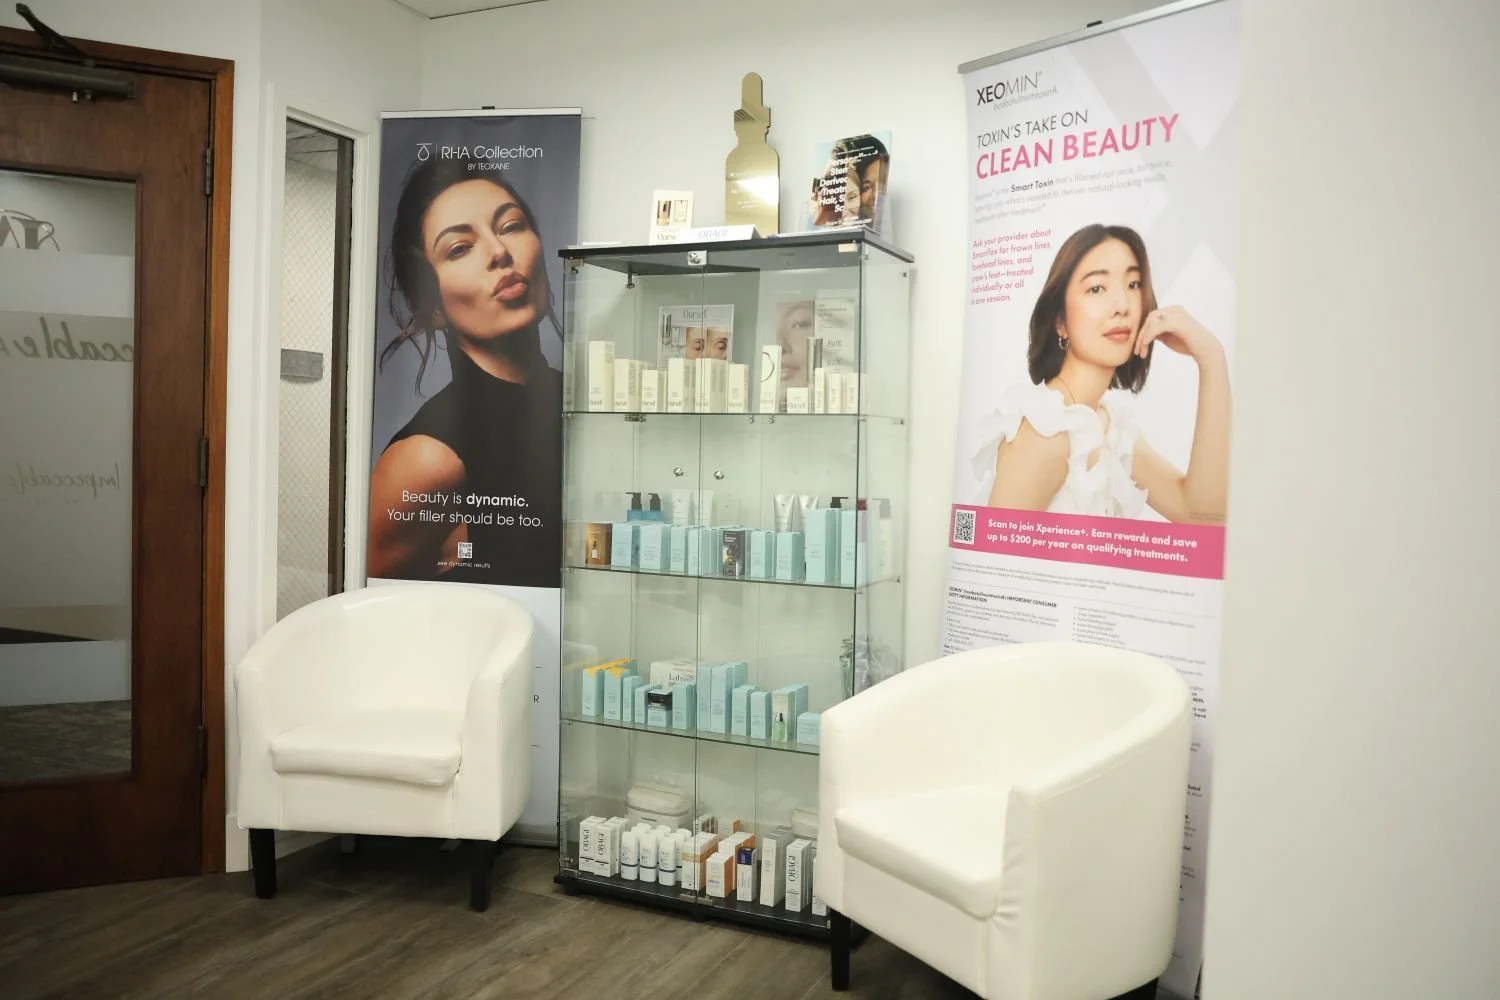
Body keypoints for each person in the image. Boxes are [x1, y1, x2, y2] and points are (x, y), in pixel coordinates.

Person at [368, 157, 563, 584]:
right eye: (459, 248)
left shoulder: (580, 409)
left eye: (511, 226)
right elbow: (376, 614)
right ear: (433, 305)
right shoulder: (424, 461)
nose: (499, 253)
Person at [974, 224, 1230, 523]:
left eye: (1133, 284)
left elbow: (1203, 519)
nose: (1122, 306)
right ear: (1060, 321)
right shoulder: (1044, 433)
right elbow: (996, 565)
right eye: (1097, 288)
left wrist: (1211, 357)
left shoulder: (1108, 426)